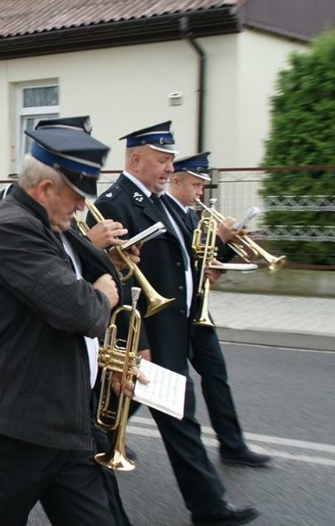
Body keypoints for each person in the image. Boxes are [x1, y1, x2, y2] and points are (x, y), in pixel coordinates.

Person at [93, 121, 259, 526]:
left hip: (177, 325)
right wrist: (140, 340)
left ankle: (206, 505)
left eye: (170, 160)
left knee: (119, 416)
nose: (170, 168)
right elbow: (120, 277)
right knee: (166, 415)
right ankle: (209, 507)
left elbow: (183, 257)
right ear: (135, 160)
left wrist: (212, 263)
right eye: (162, 160)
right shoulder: (118, 202)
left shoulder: (161, 201)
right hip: (150, 333)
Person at [0, 128, 121, 525]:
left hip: (65, 421)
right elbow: (82, 311)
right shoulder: (11, 229)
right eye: (77, 194)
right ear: (45, 188)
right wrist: (102, 294)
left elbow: (104, 284)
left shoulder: (54, 224)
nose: (83, 206)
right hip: (18, 428)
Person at [164, 152, 271, 468]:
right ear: (176, 181)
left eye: (202, 186)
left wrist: (223, 251)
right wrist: (218, 244)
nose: (200, 192)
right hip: (171, 314)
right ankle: (104, 435)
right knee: (153, 385)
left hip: (198, 309)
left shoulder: (192, 216)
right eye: (195, 185)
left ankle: (232, 445)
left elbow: (199, 263)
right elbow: (172, 269)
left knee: (216, 373)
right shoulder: (162, 213)